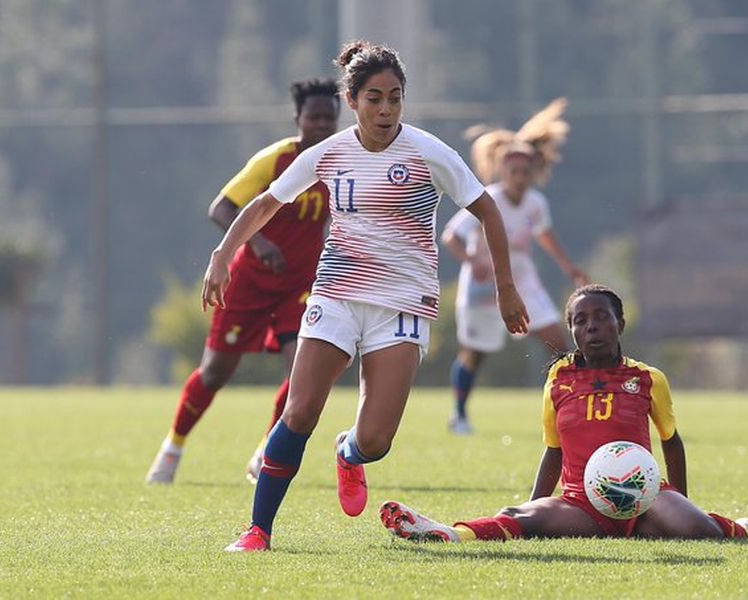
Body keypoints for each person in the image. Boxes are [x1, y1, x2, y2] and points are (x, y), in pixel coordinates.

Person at [202, 40, 529, 552]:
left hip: (401, 306)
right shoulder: (329, 153)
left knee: (376, 440)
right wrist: (223, 253)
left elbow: (487, 209)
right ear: (351, 101)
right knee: (300, 410)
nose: (386, 109)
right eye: (374, 98)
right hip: (335, 296)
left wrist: (507, 288)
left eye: (395, 98)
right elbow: (266, 202)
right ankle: (258, 530)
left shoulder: (427, 151)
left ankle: (348, 454)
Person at [380, 284, 748, 542]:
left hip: (646, 496)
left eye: (601, 318)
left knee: (701, 533)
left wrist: (678, 498)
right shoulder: (558, 380)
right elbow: (552, 451)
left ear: (619, 324)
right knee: (518, 519)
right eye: (580, 321)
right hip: (580, 502)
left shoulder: (647, 379)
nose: (591, 327)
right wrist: (538, 505)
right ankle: (448, 533)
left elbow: (671, 441)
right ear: (571, 331)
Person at [145, 79, 340, 485]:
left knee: (303, 371)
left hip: (300, 286)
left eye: (328, 117)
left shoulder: (339, 162)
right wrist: (261, 242)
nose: (321, 125)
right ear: (297, 119)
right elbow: (222, 208)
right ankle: (173, 447)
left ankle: (266, 452)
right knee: (214, 372)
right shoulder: (274, 160)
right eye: (313, 117)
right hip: (249, 282)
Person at [443, 106, 588, 434]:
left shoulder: (536, 204)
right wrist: (473, 261)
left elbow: (545, 237)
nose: (520, 178)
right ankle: (460, 414)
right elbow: (451, 236)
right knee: (474, 354)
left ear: (534, 172)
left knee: (558, 343)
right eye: (514, 172)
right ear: (502, 172)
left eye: (526, 172)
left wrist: (569, 268)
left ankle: (575, 412)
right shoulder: (487, 199)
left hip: (523, 281)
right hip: (484, 287)